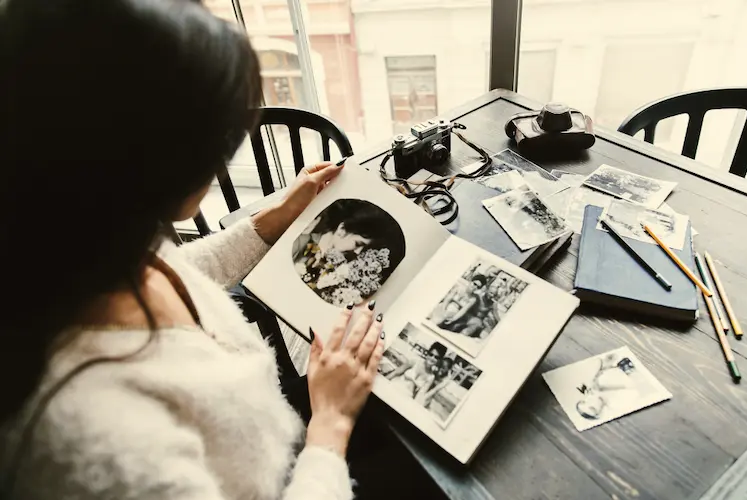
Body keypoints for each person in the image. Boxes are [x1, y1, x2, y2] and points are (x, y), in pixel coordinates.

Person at [0, 1, 438, 499]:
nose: (225, 157)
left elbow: (179, 271)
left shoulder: (78, 238)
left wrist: (269, 224)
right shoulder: (98, 448)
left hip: (290, 429)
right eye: (220, 138)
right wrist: (331, 423)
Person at [291, 199, 406, 307]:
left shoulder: (341, 269)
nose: (358, 252)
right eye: (358, 244)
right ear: (342, 230)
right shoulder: (299, 243)